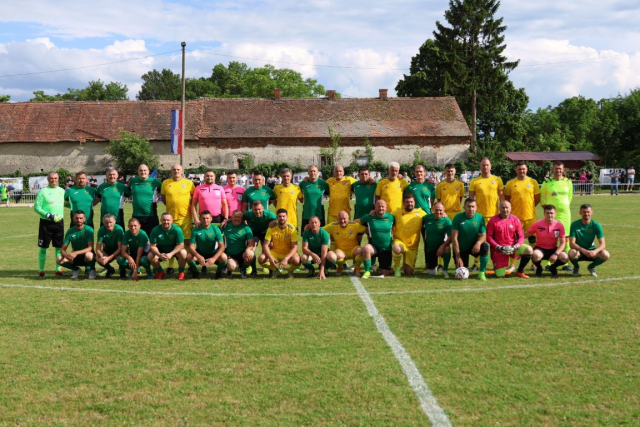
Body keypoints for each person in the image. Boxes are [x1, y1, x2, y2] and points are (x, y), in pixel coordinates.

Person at [468, 157, 504, 271]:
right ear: (480, 167)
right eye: (483, 165)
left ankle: (496, 263)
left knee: (495, 242)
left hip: (494, 216)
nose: (485, 167)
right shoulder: (474, 181)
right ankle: (476, 264)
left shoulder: (497, 180)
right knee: (478, 240)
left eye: (487, 165)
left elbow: (502, 199)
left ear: (491, 166)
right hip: (479, 217)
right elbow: (470, 199)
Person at [504, 161, 540, 272]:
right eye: (519, 169)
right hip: (515, 218)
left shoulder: (533, 182)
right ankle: (513, 264)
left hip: (530, 216)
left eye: (523, 169)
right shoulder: (511, 183)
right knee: (513, 241)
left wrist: (529, 207)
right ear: (515, 170)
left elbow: (537, 199)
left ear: (527, 169)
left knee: (532, 240)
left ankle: (534, 263)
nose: (521, 171)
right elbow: (507, 200)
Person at [160, 163, 195, 275]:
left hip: (186, 218)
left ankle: (190, 264)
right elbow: (164, 199)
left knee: (187, 242)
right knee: (172, 243)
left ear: (182, 171)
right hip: (170, 219)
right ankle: (170, 266)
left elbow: (194, 199)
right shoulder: (165, 183)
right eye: (174, 169)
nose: (176, 171)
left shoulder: (189, 183)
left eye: (178, 169)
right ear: (171, 171)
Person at [486, 201, 533, 279]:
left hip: (513, 248)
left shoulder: (515, 220)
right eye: (503, 207)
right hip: (499, 249)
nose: (505, 210)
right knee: (500, 275)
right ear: (499, 208)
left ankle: (520, 271)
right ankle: (498, 268)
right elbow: (489, 237)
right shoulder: (493, 221)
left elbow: (521, 236)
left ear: (510, 208)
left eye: (507, 207)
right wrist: (498, 247)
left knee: (529, 250)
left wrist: (516, 246)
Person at [540, 161, 573, 270]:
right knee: (551, 238)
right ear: (552, 169)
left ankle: (565, 264)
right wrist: (549, 212)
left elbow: (569, 197)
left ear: (563, 170)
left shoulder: (568, 182)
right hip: (551, 216)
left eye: (560, 169)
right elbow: (542, 199)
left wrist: (563, 207)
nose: (558, 170)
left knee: (566, 239)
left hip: (565, 215)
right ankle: (549, 263)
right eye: (556, 168)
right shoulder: (547, 182)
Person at [34, 172, 66, 277]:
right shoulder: (43, 192)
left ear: (58, 179)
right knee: (43, 248)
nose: (54, 180)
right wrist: (48, 215)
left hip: (59, 223)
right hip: (46, 223)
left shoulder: (62, 191)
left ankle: (58, 269)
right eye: (51, 178)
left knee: (59, 247)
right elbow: (37, 207)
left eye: (56, 178)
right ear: (48, 180)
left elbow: (68, 204)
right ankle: (41, 270)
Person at [524, 205, 569, 277]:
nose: (549, 215)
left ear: (555, 214)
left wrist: (556, 254)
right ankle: (539, 268)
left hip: (553, 249)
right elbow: (527, 234)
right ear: (544, 214)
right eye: (547, 213)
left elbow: (563, 243)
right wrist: (514, 239)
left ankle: (553, 267)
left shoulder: (559, 225)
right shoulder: (537, 224)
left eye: (551, 213)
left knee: (565, 257)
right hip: (540, 248)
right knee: (535, 255)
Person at [450, 198, 490, 281]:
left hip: (474, 247)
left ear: (476, 207)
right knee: (462, 271)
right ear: (464, 207)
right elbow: (454, 238)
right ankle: (461, 262)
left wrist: (478, 243)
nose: (471, 209)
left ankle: (482, 273)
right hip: (461, 248)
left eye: (473, 206)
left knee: (484, 247)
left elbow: (484, 235)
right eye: (468, 206)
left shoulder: (480, 217)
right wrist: (458, 256)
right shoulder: (458, 217)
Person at [356, 199, 395, 279]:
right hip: (374, 247)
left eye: (382, 206)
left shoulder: (391, 217)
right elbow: (358, 222)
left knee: (385, 273)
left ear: (386, 208)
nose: (380, 208)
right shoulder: (369, 217)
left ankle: (389, 268)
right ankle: (367, 271)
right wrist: (364, 229)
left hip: (386, 249)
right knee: (366, 247)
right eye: (378, 206)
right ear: (375, 208)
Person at [568, 204, 610, 277]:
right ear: (580, 213)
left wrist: (595, 251)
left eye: (588, 212)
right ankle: (576, 267)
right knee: (572, 252)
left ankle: (591, 267)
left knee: (606, 254)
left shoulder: (596, 225)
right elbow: (572, 244)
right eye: (584, 212)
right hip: (579, 252)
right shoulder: (574, 224)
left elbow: (603, 244)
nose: (586, 214)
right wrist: (583, 250)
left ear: (592, 212)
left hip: (591, 252)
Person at [391, 193, 427, 277]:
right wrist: (374, 211)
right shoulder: (397, 212)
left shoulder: (421, 213)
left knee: (409, 272)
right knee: (396, 248)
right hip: (400, 241)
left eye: (411, 202)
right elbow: (385, 216)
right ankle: (397, 268)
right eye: (407, 202)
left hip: (412, 246)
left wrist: (444, 215)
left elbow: (432, 218)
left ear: (414, 202)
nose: (409, 204)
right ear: (403, 203)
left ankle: (404, 265)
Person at [258, 208, 301, 277]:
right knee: (261, 258)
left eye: (283, 216)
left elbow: (295, 247)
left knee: (297, 260)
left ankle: (290, 271)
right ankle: (275, 270)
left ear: (287, 217)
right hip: (275, 252)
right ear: (277, 217)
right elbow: (265, 245)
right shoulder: (271, 228)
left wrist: (286, 259)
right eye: (280, 216)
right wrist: (270, 258)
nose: (282, 218)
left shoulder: (292, 229)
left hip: (287, 252)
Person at [186, 210, 228, 279]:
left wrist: (214, 258)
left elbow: (222, 246)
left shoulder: (216, 229)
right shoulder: (195, 229)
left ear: (211, 219)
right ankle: (195, 272)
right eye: (203, 218)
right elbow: (191, 247)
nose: (205, 220)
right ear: (200, 219)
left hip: (213, 253)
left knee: (224, 257)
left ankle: (218, 273)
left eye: (207, 218)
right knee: (189, 257)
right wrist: (198, 256)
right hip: (200, 253)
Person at [324, 210, 366, 275]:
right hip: (341, 251)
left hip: (353, 249)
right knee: (336, 255)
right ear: (337, 219)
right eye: (340, 219)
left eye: (344, 219)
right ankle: (340, 266)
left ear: (348, 218)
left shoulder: (354, 225)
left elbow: (367, 230)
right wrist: (309, 226)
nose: (342, 221)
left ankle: (357, 267)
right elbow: (320, 230)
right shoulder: (332, 226)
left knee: (361, 251)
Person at [148, 212, 188, 280]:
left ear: (172, 220)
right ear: (161, 220)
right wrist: (159, 255)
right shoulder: (155, 230)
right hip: (161, 250)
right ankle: (160, 272)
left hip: (174, 250)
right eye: (164, 220)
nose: (166, 222)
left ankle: (181, 272)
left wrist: (171, 254)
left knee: (183, 253)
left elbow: (181, 245)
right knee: (150, 256)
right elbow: (152, 246)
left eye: (168, 220)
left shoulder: (177, 229)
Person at [56, 210, 96, 279]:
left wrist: (75, 253)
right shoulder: (70, 231)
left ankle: (92, 270)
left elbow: (90, 248)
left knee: (89, 255)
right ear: (73, 219)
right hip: (75, 258)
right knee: (59, 259)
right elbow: (62, 249)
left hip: (85, 257)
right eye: (77, 218)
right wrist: (67, 255)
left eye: (80, 218)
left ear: (84, 219)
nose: (79, 220)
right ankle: (75, 269)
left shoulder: (89, 230)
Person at [243, 200, 277, 276]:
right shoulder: (248, 213)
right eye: (255, 209)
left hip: (265, 232)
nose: (257, 211)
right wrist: (227, 220)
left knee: (267, 249)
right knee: (251, 249)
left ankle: (270, 269)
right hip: (254, 232)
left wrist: (274, 222)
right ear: (252, 209)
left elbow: (279, 219)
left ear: (263, 208)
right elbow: (239, 218)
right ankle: (253, 270)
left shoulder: (268, 214)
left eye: (259, 209)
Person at [128, 164, 162, 237]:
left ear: (148, 171)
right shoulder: (133, 181)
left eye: (144, 170)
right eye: (141, 170)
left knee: (153, 238)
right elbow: (128, 193)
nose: (143, 172)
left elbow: (164, 193)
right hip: (136, 215)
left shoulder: (155, 182)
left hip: (151, 215)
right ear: (137, 172)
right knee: (137, 237)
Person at [220, 210, 255, 278]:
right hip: (231, 254)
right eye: (235, 217)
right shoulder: (225, 226)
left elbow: (251, 242)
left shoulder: (246, 227)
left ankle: (243, 269)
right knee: (232, 266)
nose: (237, 218)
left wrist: (247, 250)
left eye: (239, 217)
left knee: (251, 254)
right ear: (231, 217)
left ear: (242, 218)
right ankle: (229, 269)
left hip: (242, 253)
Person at [422, 202, 453, 278]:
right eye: (436, 210)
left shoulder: (447, 221)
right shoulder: (426, 218)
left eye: (440, 210)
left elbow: (450, 237)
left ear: (444, 210)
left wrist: (442, 246)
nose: (438, 212)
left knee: (447, 248)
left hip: (441, 246)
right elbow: (420, 227)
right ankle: (431, 265)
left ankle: (445, 269)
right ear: (432, 210)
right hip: (429, 248)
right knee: (431, 273)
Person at [95, 213, 124, 278]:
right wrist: (102, 257)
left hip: (118, 251)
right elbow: (98, 248)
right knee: (97, 257)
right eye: (106, 223)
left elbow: (120, 248)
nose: (108, 225)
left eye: (110, 222)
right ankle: (110, 269)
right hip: (108, 250)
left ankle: (122, 269)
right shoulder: (101, 230)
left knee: (120, 258)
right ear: (103, 223)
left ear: (114, 222)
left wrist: (108, 258)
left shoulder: (119, 229)